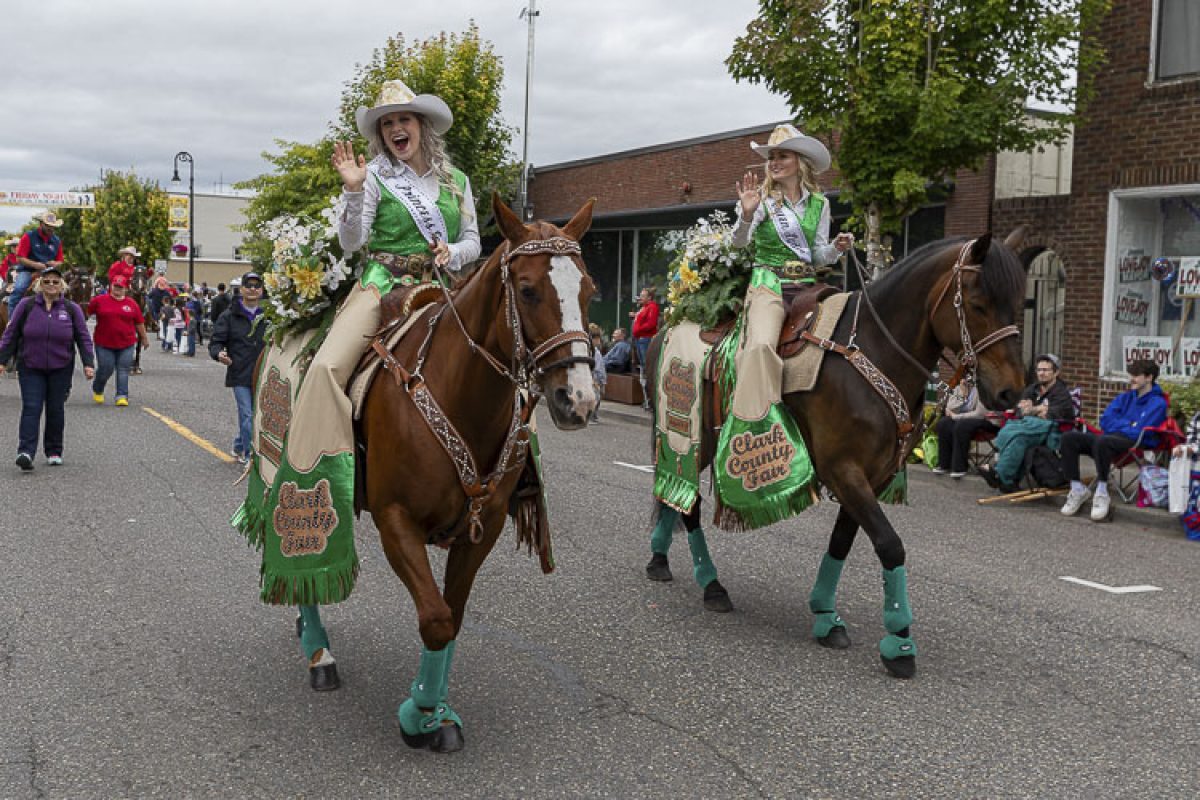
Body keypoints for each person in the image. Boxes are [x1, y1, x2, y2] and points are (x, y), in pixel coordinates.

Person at [713, 123, 853, 517]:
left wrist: (837, 249)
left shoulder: (819, 204)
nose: (774, 163)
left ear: (801, 162)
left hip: (807, 287)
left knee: (846, 345)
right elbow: (738, 245)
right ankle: (759, 431)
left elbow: (819, 254)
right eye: (771, 157)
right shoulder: (761, 200)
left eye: (782, 156)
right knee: (759, 348)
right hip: (768, 285)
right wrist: (745, 215)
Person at [0, 265, 95, 469]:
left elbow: (83, 337)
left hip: (61, 367)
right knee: (32, 407)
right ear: (39, 285)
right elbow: (11, 334)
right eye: (47, 281)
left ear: (61, 285)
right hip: (30, 365)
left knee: (55, 409)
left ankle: (53, 450)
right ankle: (25, 451)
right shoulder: (26, 305)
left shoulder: (71, 309)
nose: (51, 285)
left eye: (55, 282)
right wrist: (2, 360)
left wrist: (88, 363)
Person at [1059, 359, 1169, 521]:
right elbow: (1105, 420)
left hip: (1137, 443)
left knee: (1103, 441)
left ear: (1149, 377)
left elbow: (1139, 432)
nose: (1131, 379)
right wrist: (1128, 424)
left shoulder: (1158, 403)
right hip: (1110, 439)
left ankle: (1102, 492)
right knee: (1069, 438)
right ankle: (1077, 488)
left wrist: (1120, 426)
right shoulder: (1124, 397)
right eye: (1130, 375)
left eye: (1136, 376)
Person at [977, 354, 1075, 492]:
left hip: (1051, 431)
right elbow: (1019, 411)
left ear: (1056, 372)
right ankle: (1008, 480)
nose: (1042, 373)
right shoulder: (1032, 389)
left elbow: (1053, 414)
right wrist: (1036, 410)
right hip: (1029, 427)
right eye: (1039, 370)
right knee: (1014, 434)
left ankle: (1002, 476)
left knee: (1017, 435)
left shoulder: (1061, 393)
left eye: (1046, 370)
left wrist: (1033, 409)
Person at [209, 271, 267, 464]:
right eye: (248, 286)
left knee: (258, 415)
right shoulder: (229, 315)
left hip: (264, 373)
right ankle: (250, 456)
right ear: (241, 289)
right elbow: (216, 342)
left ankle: (239, 444)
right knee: (247, 413)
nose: (252, 289)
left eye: (256, 286)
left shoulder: (271, 315)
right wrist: (219, 354)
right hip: (240, 373)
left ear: (262, 290)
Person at [87, 274, 149, 406]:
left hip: (126, 343)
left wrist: (144, 338)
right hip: (104, 342)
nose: (118, 289)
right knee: (106, 368)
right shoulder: (99, 301)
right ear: (111, 286)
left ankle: (122, 395)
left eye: (121, 287)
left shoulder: (131, 304)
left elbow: (139, 322)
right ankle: (98, 388)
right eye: (115, 286)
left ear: (126, 288)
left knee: (123, 368)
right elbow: (86, 313)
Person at [932, 382, 999, 479]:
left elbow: (980, 414)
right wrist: (964, 395)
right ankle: (944, 464)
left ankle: (959, 467)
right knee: (944, 424)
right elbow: (949, 407)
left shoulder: (983, 386)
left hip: (988, 421)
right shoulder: (960, 387)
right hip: (965, 420)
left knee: (961, 425)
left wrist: (956, 416)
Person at [9, 211, 65, 315]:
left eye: (53, 226)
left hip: (49, 271)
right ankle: (12, 322)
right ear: (41, 224)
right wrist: (35, 265)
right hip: (27, 271)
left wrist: (55, 263)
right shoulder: (28, 236)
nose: (50, 228)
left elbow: (60, 261)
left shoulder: (56, 240)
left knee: (67, 290)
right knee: (18, 289)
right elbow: (20, 258)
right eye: (47, 225)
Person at [629, 287, 659, 373]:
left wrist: (638, 329)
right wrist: (635, 316)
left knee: (646, 364)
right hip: (639, 338)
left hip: (645, 338)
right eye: (641, 295)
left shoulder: (652, 307)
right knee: (642, 364)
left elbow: (651, 324)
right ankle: (644, 382)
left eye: (643, 296)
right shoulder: (644, 307)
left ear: (649, 297)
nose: (640, 297)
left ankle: (647, 383)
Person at [590, 329, 606, 424]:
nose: (599, 341)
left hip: (599, 377)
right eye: (597, 339)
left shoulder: (596, 351)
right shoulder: (593, 352)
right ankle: (591, 416)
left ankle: (594, 415)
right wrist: (594, 380)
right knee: (595, 397)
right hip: (595, 377)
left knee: (598, 397)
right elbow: (595, 367)